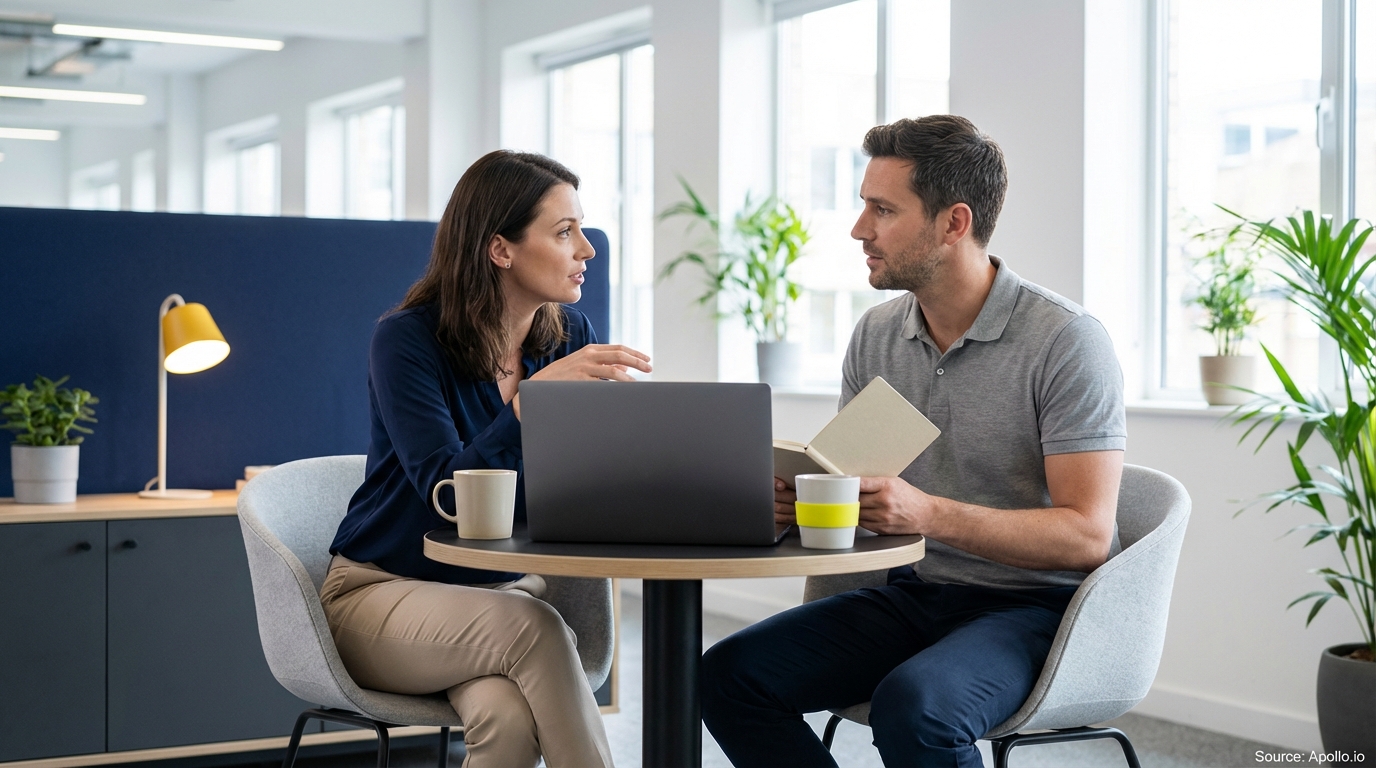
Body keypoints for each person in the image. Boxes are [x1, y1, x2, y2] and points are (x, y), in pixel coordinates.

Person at [701, 115, 1127, 767]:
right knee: (726, 677)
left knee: (917, 708)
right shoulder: (876, 336)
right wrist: (796, 501)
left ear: (953, 223)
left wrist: (926, 513)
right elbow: (857, 491)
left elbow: (1087, 538)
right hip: (915, 593)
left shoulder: (1066, 341)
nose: (858, 230)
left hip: (1036, 608)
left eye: (881, 210)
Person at [324, 150, 650, 768]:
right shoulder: (408, 340)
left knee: (503, 721)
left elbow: (578, 480)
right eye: (564, 232)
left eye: (581, 229)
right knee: (539, 629)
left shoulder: (566, 337)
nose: (587, 249)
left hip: (495, 596)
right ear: (500, 249)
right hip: (381, 594)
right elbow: (445, 494)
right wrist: (532, 405)